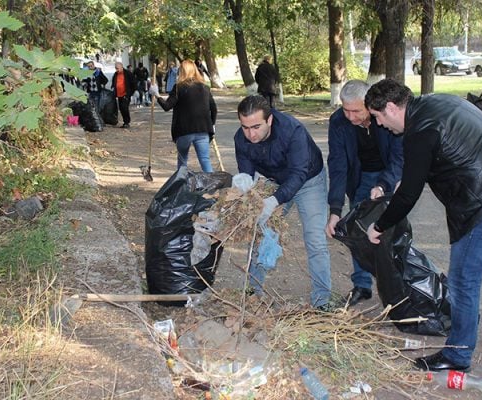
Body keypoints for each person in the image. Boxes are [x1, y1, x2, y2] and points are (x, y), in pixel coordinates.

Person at [364, 78, 482, 372]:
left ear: (390, 107)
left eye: (377, 117)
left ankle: (457, 355)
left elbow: (409, 196)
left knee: (463, 281)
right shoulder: (436, 103)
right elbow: (444, 153)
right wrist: (410, 179)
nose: (380, 125)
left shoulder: (419, 130)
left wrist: (379, 226)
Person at [233, 95, 333, 310]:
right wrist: (244, 183)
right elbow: (247, 172)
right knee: (262, 234)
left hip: (309, 181)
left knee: (315, 240)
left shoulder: (291, 130)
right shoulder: (241, 138)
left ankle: (322, 302)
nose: (251, 134)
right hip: (274, 182)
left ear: (269, 120)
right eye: (245, 127)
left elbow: (298, 173)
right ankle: (252, 294)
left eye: (256, 127)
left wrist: (274, 201)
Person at [326, 80, 403, 306]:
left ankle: (397, 287)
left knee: (392, 231)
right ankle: (362, 285)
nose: (350, 117)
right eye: (345, 110)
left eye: (356, 111)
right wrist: (335, 210)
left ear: (369, 104)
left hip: (390, 174)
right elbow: (338, 166)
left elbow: (400, 157)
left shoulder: (385, 116)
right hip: (359, 179)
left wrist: (384, 185)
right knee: (358, 232)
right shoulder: (338, 122)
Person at [149, 60, 216, 172]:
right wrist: (212, 124)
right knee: (205, 160)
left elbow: (167, 106)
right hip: (203, 129)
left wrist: (156, 94)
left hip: (184, 131)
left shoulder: (178, 88)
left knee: (182, 160)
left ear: (182, 72)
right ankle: (212, 187)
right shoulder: (205, 88)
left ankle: (181, 184)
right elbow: (213, 108)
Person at [111, 62, 136, 129]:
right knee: (121, 109)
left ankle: (127, 122)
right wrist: (113, 87)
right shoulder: (116, 74)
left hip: (126, 94)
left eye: (118, 68)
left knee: (125, 108)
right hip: (119, 95)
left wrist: (130, 94)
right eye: (116, 68)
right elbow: (114, 82)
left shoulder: (128, 73)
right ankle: (125, 122)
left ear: (122, 67)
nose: (117, 70)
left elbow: (134, 84)